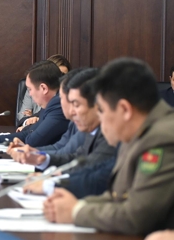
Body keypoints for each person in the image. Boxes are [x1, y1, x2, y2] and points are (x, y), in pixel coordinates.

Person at [43, 58, 174, 235]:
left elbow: (137, 217)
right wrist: (76, 205)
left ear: (125, 110)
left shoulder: (161, 138)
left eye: (102, 111)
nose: (100, 120)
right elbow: (117, 196)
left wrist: (76, 212)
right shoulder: (139, 132)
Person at [19, 68, 116, 197]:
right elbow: (77, 159)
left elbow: (96, 178)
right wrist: (44, 161)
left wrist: (51, 183)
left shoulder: (109, 134)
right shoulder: (93, 130)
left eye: (76, 104)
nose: (71, 111)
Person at [0, 60, 68, 147]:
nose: (29, 94)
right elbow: (29, 132)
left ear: (43, 88)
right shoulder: (50, 103)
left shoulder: (59, 106)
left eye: (30, 89)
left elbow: (33, 141)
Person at [17, 54, 71, 127]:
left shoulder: (67, 96)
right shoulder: (33, 90)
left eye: (63, 75)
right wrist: (28, 120)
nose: (59, 78)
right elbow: (22, 114)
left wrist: (35, 118)